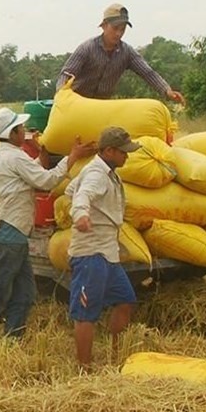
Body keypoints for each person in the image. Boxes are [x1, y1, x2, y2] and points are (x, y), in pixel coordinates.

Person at [0, 107, 94, 337]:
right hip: (9, 232)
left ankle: (13, 337)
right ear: (12, 134)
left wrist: (41, 157)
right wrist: (72, 157)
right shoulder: (13, 156)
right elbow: (47, 181)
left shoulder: (6, 154)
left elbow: (29, 172)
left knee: (25, 292)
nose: (26, 132)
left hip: (13, 233)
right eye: (21, 129)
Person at [66, 126, 142, 369]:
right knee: (86, 312)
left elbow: (71, 189)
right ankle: (84, 367)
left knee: (126, 301)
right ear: (109, 150)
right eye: (123, 152)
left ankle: (116, 354)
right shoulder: (97, 174)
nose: (127, 156)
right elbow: (81, 196)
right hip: (91, 253)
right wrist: (81, 214)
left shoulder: (105, 171)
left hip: (107, 252)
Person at [57, 3, 185, 104]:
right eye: (115, 28)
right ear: (104, 26)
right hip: (76, 104)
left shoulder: (127, 52)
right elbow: (67, 74)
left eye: (122, 29)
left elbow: (148, 73)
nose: (119, 33)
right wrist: (61, 95)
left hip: (101, 107)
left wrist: (167, 90)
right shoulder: (87, 48)